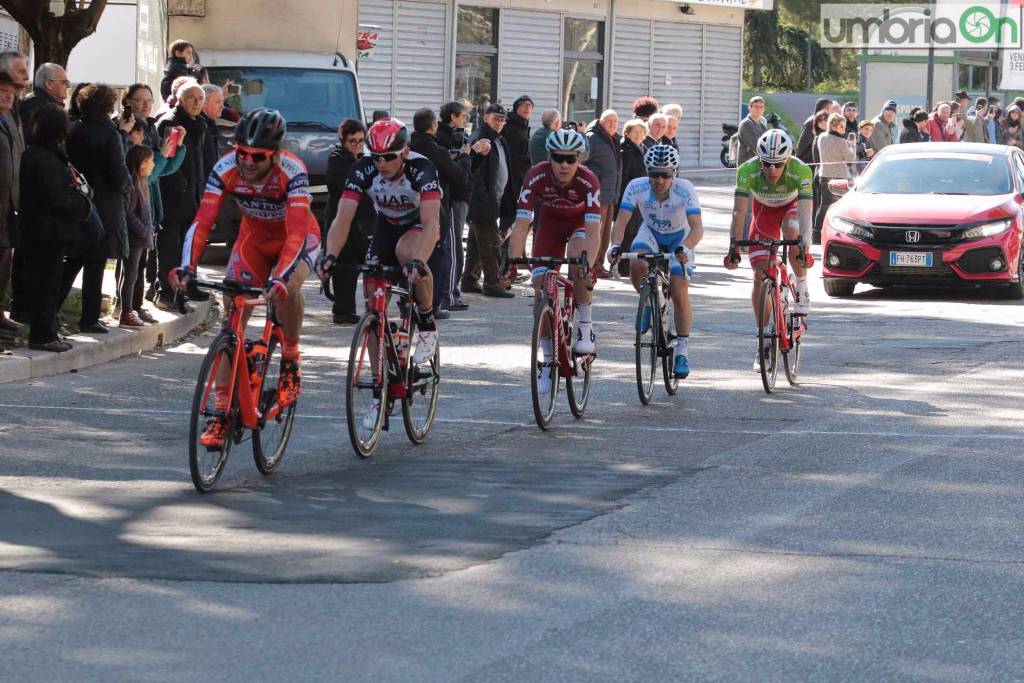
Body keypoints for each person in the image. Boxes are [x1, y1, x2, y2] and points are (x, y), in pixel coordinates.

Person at [172, 108, 321, 447]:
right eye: (243, 153)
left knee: (287, 289)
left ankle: (291, 359)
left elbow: (296, 234)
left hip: (293, 241)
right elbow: (202, 221)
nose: (248, 162)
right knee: (232, 323)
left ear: (276, 154)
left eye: (258, 156)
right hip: (253, 239)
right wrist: (187, 266)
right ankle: (222, 415)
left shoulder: (292, 171)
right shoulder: (225, 168)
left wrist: (281, 277)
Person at [320, 118, 442, 425]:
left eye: (389, 156)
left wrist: (418, 261)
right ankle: (380, 388)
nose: (382, 163)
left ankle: (426, 324)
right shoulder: (362, 169)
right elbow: (342, 219)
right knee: (372, 296)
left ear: (405, 151)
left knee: (408, 253)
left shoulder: (422, 168)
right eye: (375, 156)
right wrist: (330, 254)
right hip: (386, 226)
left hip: (419, 226)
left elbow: (431, 223)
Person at [505, 129, 601, 389]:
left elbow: (594, 231)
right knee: (540, 291)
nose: (564, 165)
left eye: (571, 159)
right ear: (549, 156)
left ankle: (585, 325)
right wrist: (513, 258)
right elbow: (522, 222)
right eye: (558, 158)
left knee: (579, 261)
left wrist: (589, 264)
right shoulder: (535, 175)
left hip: (579, 223)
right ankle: (548, 362)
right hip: (549, 224)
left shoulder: (588, 181)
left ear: (579, 159)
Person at [607, 145, 704, 378]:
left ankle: (682, 350)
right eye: (654, 174)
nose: (659, 180)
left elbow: (697, 227)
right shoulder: (636, 187)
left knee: (679, 293)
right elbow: (620, 222)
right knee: (637, 262)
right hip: (649, 233)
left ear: (675, 173)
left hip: (680, 239)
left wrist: (686, 247)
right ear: (647, 172)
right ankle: (648, 301)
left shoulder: (685, 189)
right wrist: (615, 245)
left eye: (665, 174)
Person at [724, 130, 813, 372]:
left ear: (788, 160)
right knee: (759, 275)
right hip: (763, 211)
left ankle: (802, 288)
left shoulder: (801, 170)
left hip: (791, 208)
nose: (772, 170)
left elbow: (806, 213)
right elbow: (739, 212)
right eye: (767, 164)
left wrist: (805, 243)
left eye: (777, 164)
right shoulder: (747, 170)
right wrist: (734, 244)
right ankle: (763, 339)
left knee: (793, 231)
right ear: (759, 159)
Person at [62, 84, 133, 335]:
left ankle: (51, 309)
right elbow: (118, 173)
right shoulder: (110, 134)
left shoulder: (74, 129)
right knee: (96, 263)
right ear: (108, 105)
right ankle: (89, 317)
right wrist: (128, 185)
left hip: (79, 201)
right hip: (105, 204)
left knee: (75, 259)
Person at [19, 105, 92, 351]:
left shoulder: (37, 153)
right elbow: (56, 198)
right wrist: (82, 202)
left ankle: (47, 331)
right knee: (47, 283)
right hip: (47, 230)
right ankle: (42, 335)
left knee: (47, 281)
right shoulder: (46, 158)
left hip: (40, 228)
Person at [123, 83, 186, 313]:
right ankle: (126, 307)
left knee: (141, 259)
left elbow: (163, 169)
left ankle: (136, 306)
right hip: (134, 202)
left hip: (150, 202)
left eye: (149, 100)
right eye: (140, 100)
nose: (146, 105)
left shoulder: (150, 127)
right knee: (131, 262)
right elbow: (146, 174)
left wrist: (176, 149)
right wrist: (163, 156)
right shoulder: (127, 129)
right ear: (128, 101)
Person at [410, 107, 472, 318]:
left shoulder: (408, 148)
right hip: (435, 208)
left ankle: (407, 302)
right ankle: (433, 305)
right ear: (433, 126)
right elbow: (458, 176)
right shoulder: (434, 150)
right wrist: (464, 157)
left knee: (411, 254)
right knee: (438, 257)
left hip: (407, 208)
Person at [156, 79, 206, 310]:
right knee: (170, 246)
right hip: (174, 197)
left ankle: (185, 287)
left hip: (192, 195)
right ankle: (166, 291)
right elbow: (167, 160)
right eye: (192, 98)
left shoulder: (199, 124)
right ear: (180, 100)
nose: (197, 103)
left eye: (200, 98)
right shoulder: (172, 123)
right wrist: (181, 186)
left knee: (187, 246)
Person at [323, 118, 372, 324]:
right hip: (341, 220)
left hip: (359, 223)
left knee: (357, 265)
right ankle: (343, 311)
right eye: (353, 141)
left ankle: (352, 308)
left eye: (361, 141)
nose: (358, 144)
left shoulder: (359, 158)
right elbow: (347, 185)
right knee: (344, 266)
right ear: (343, 140)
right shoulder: (338, 160)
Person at [462, 103, 513, 298]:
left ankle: (469, 280)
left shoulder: (499, 139)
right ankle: (493, 283)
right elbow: (474, 172)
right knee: (491, 243)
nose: (500, 122)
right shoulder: (481, 138)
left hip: (494, 199)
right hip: (482, 200)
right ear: (485, 118)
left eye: (502, 120)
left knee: (476, 242)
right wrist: (484, 199)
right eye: (496, 119)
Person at [436, 100, 472, 310]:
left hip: (460, 196)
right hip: (452, 198)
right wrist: (465, 155)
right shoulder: (443, 139)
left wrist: (471, 154)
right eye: (463, 116)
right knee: (452, 247)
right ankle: (448, 293)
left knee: (454, 246)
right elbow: (455, 171)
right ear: (453, 117)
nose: (466, 119)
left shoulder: (459, 137)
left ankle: (451, 292)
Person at [118, 145, 156, 327]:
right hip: (135, 238)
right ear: (142, 164)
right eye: (151, 161)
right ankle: (126, 311)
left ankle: (131, 309)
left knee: (135, 274)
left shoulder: (143, 182)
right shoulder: (133, 184)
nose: (153, 165)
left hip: (142, 237)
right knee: (130, 275)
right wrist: (144, 230)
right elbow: (129, 213)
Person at [585, 109, 622, 276]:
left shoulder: (615, 139)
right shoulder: (592, 138)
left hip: (610, 194)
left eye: (615, 122)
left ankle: (599, 264)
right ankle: (591, 265)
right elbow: (583, 163)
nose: (613, 125)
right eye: (609, 121)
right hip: (597, 194)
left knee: (605, 234)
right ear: (601, 121)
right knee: (595, 232)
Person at [0, 70, 22, 335]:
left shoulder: (7, 119)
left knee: (5, 258)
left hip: (8, 203)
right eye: (3, 90)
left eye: (11, 92)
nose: (8, 95)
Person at [814, 113, 855, 244]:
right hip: (841, 177)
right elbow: (851, 159)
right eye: (841, 126)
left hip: (824, 175)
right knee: (843, 207)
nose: (844, 129)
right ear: (833, 126)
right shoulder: (841, 141)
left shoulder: (821, 137)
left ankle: (816, 233)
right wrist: (852, 145)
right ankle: (841, 233)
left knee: (824, 206)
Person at [615, 119, 648, 276]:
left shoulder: (643, 149)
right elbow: (624, 177)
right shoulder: (625, 151)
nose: (639, 135)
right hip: (629, 197)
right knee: (628, 232)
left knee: (636, 231)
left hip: (642, 198)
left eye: (641, 132)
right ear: (626, 133)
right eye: (635, 132)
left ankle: (632, 264)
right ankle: (624, 266)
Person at [20, 63, 69, 144]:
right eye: (65, 82)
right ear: (49, 84)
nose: (68, 86)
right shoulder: (36, 105)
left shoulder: (44, 104)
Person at [198, 84, 224, 179]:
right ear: (204, 103)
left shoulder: (210, 124)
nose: (222, 106)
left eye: (222, 102)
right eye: (218, 102)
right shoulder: (199, 126)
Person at [796, 98, 831, 164]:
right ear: (825, 109)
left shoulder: (825, 121)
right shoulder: (811, 122)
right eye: (831, 109)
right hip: (809, 163)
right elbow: (802, 145)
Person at [738, 96, 767, 165]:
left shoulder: (761, 125)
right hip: (747, 165)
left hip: (757, 164)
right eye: (756, 107)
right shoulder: (746, 124)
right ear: (750, 108)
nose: (759, 109)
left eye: (761, 107)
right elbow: (757, 146)